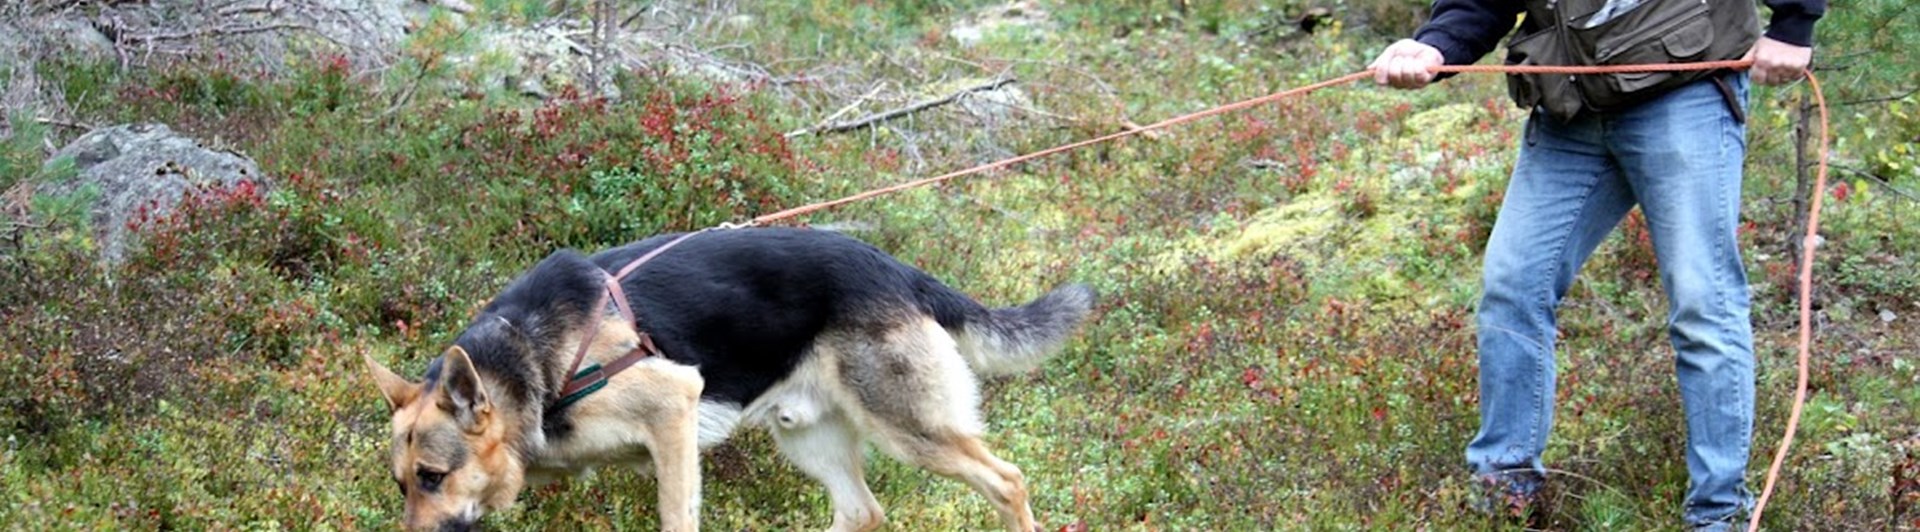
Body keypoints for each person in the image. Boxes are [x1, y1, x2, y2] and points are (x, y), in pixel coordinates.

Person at [1367, 0, 1823, 529]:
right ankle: (1505, 497)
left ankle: (1719, 515)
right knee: (1512, 286)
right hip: (1570, 106)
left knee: (1704, 303)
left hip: (1687, 92)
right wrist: (1437, 44)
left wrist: (1794, 22)